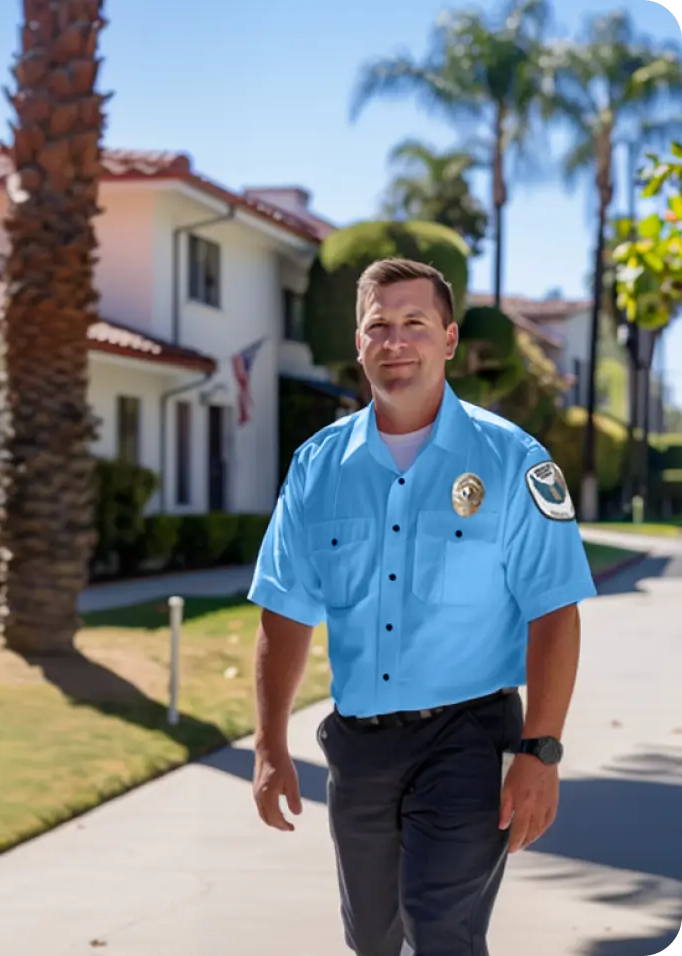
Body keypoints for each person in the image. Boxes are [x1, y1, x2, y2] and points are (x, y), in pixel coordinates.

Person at [247, 257, 596, 956]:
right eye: (379, 325)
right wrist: (268, 745)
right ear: (358, 342)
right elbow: (284, 611)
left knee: (443, 929)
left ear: (449, 339)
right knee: (373, 941)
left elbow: (555, 610)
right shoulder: (318, 467)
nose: (395, 340)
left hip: (469, 738)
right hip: (361, 745)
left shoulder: (513, 459)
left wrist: (541, 753)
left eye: (414, 323)